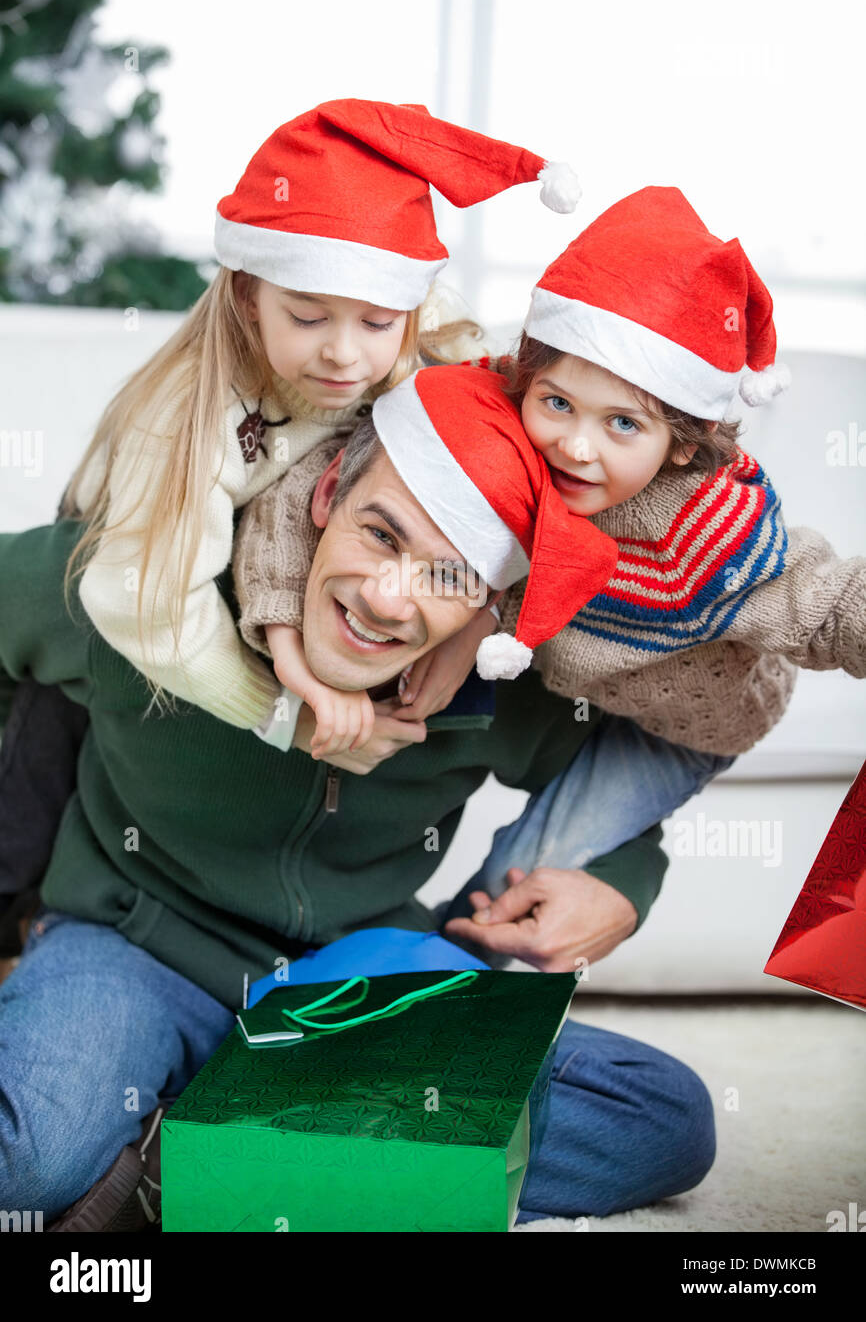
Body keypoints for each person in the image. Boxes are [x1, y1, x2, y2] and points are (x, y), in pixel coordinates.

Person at [0, 365, 713, 1229]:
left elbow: (615, 794)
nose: (386, 601)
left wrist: (620, 886)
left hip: (352, 995)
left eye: (449, 579)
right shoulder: (157, 594)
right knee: (28, 1156)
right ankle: (280, 1144)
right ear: (328, 489)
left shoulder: (492, 685)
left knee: (663, 1118)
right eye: (380, 535)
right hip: (134, 950)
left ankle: (170, 1154)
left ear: (489, 606)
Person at [0, 96, 581, 943]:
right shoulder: (187, 421)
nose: (344, 354)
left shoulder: (435, 368)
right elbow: (144, 601)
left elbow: (508, 508)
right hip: (109, 611)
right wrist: (284, 710)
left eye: (377, 322)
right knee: (34, 779)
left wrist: (475, 622)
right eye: (307, 317)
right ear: (246, 297)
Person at [238, 187, 864, 918]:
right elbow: (312, 486)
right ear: (526, 380)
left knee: (513, 886)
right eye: (558, 403)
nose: (574, 445)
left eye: (622, 425)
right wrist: (290, 628)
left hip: (687, 722)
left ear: (683, 444)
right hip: (573, 680)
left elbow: (830, 605)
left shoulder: (706, 532)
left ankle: (454, 1001)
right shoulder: (503, 422)